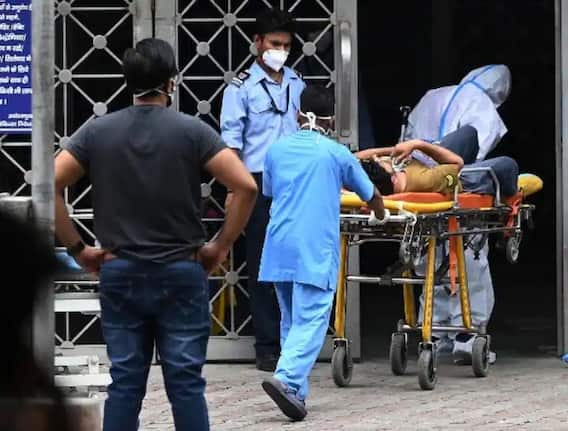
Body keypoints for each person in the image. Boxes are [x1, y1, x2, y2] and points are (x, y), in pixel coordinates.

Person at [54, 38, 258, 431]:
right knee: (185, 384)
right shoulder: (192, 132)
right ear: (171, 82)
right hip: (181, 271)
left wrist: (79, 249)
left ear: (128, 82)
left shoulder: (98, 132)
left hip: (120, 271)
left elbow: (51, 184)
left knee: (125, 383)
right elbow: (245, 186)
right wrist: (221, 245)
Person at [258, 85, 386, 421]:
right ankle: (287, 379)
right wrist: (381, 214)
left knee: (291, 321)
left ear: (297, 114)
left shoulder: (276, 150)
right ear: (330, 120)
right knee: (312, 319)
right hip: (313, 248)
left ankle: (295, 393)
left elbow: (269, 190)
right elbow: (371, 194)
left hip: (279, 246)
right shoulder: (336, 153)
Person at [404, 65, 512, 363]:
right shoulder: (484, 107)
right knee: (469, 261)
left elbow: (406, 140)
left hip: (418, 188)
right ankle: (468, 335)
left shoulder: (432, 96)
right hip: (458, 192)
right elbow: (474, 157)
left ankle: (435, 334)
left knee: (430, 263)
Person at [220, 8, 306, 371]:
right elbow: (231, 145)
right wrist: (234, 188)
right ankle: (268, 345)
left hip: (294, 180)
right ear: (258, 42)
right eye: (274, 44)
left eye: (286, 45)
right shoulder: (240, 88)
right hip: (256, 181)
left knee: (296, 262)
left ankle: (297, 343)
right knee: (261, 265)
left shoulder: (297, 82)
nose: (280, 51)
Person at [357, 125, 519, 198]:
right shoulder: (423, 180)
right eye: (380, 161)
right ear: (393, 178)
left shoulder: (382, 177)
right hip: (453, 176)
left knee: (469, 133)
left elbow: (358, 156)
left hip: (427, 162)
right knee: (508, 165)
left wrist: (397, 149)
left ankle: (470, 164)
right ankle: (506, 193)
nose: (376, 157)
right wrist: (418, 144)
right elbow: (457, 163)